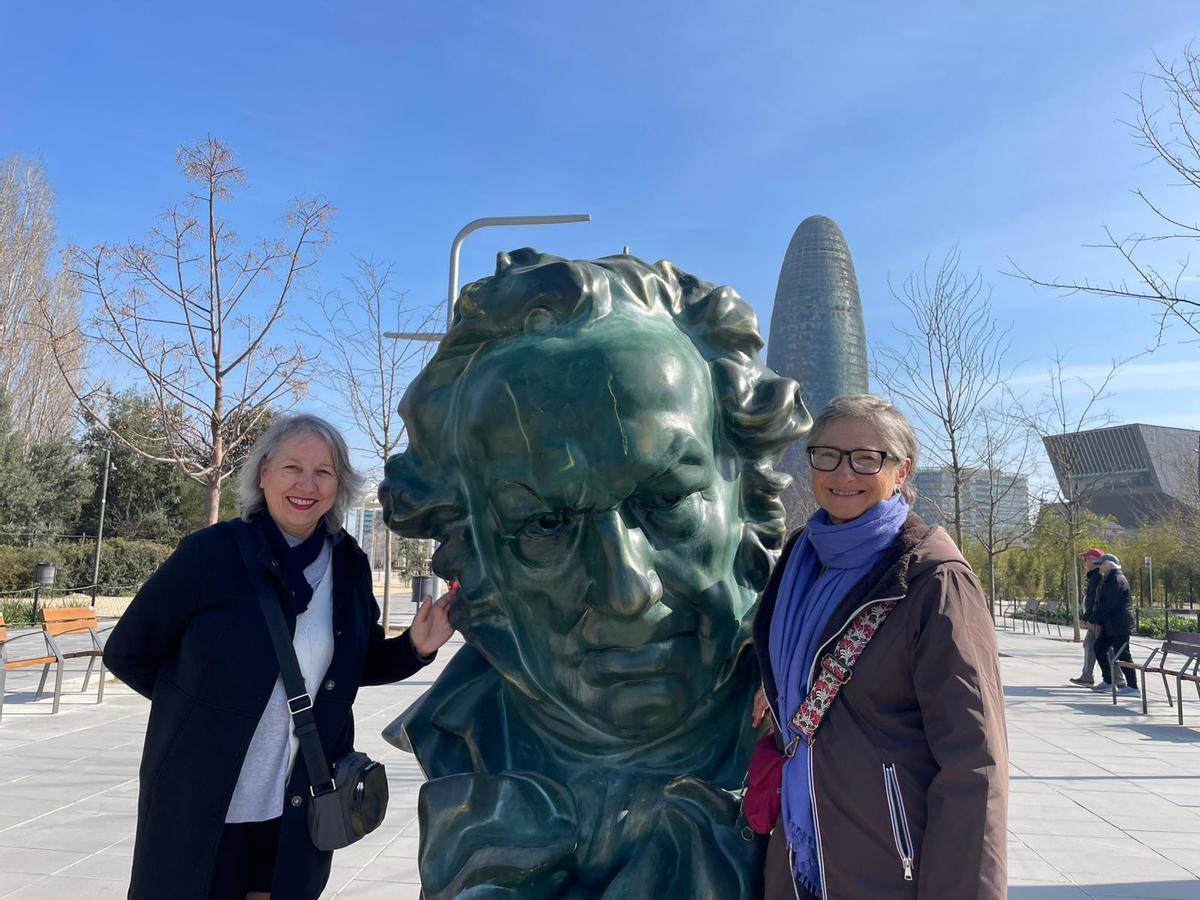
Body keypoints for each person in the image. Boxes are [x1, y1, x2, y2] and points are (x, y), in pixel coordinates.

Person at [378, 249, 809, 897]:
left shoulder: (823, 719)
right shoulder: (468, 756)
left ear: (745, 493)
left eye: (666, 500)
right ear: (472, 550)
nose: (627, 591)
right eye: (546, 524)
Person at [103, 414, 456, 900]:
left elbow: (352, 664)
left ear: (340, 484)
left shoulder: (347, 563)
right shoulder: (211, 555)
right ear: (263, 473)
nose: (306, 485)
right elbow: (128, 652)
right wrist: (198, 712)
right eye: (292, 467)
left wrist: (415, 647)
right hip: (202, 797)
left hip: (298, 801)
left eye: (324, 472)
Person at [752, 394, 1008, 899]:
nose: (844, 473)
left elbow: (975, 761)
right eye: (827, 454)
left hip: (889, 863)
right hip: (797, 854)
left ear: (901, 471)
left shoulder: (933, 580)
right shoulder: (799, 558)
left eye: (867, 458)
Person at [1091, 554, 1138, 694]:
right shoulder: (1109, 578)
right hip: (1110, 624)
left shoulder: (1116, 579)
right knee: (1099, 648)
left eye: (1101, 564)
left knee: (1123, 653)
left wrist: (1093, 619)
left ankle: (1133, 686)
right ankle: (1108, 680)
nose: (1099, 566)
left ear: (1109, 564)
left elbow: (1108, 604)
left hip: (1119, 624)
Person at [1070, 548, 1105, 686]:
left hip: (1096, 621)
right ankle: (1087, 676)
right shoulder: (1094, 577)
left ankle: (1118, 680)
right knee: (1089, 645)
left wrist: (1089, 619)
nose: (1084, 562)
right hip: (1094, 620)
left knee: (1104, 649)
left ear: (1095, 561)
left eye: (1087, 559)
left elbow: (1094, 602)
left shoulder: (1097, 577)